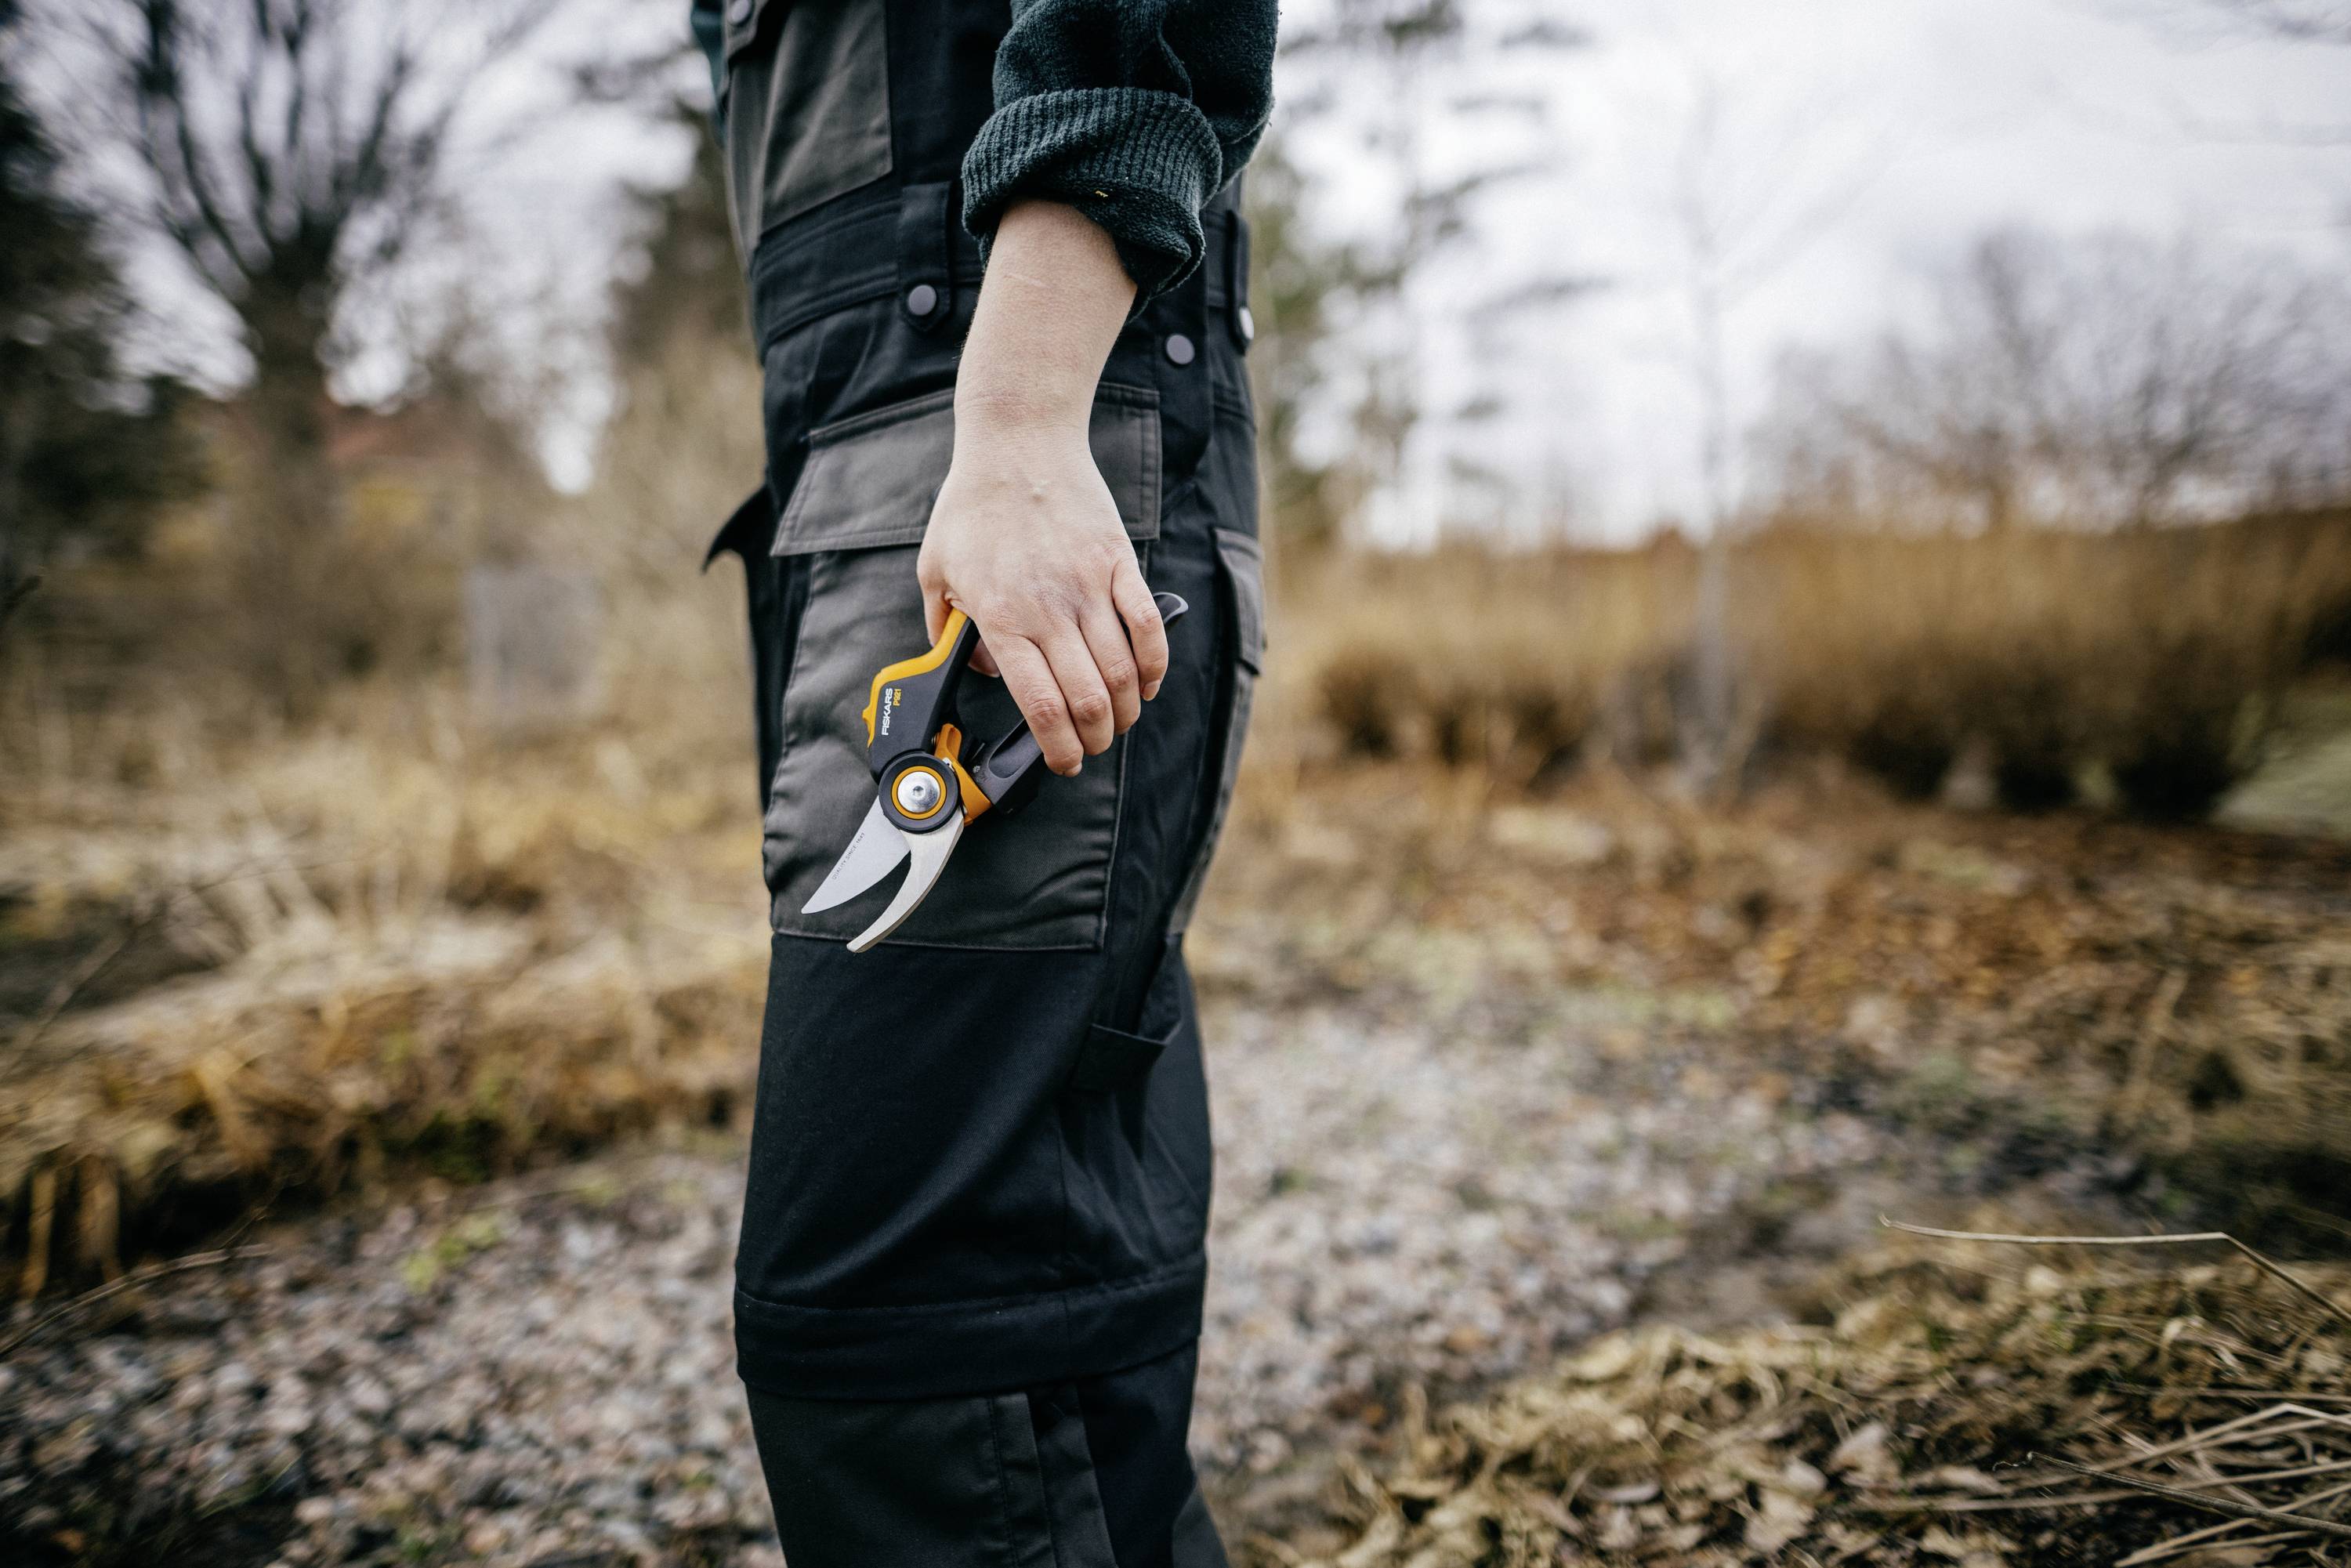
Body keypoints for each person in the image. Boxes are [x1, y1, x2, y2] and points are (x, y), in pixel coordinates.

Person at [690, 1, 1275, 1561]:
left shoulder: (1018, 426)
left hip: (998, 467)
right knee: (978, 1349)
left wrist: (1020, 405)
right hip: (878, 497)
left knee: (933, 1354)